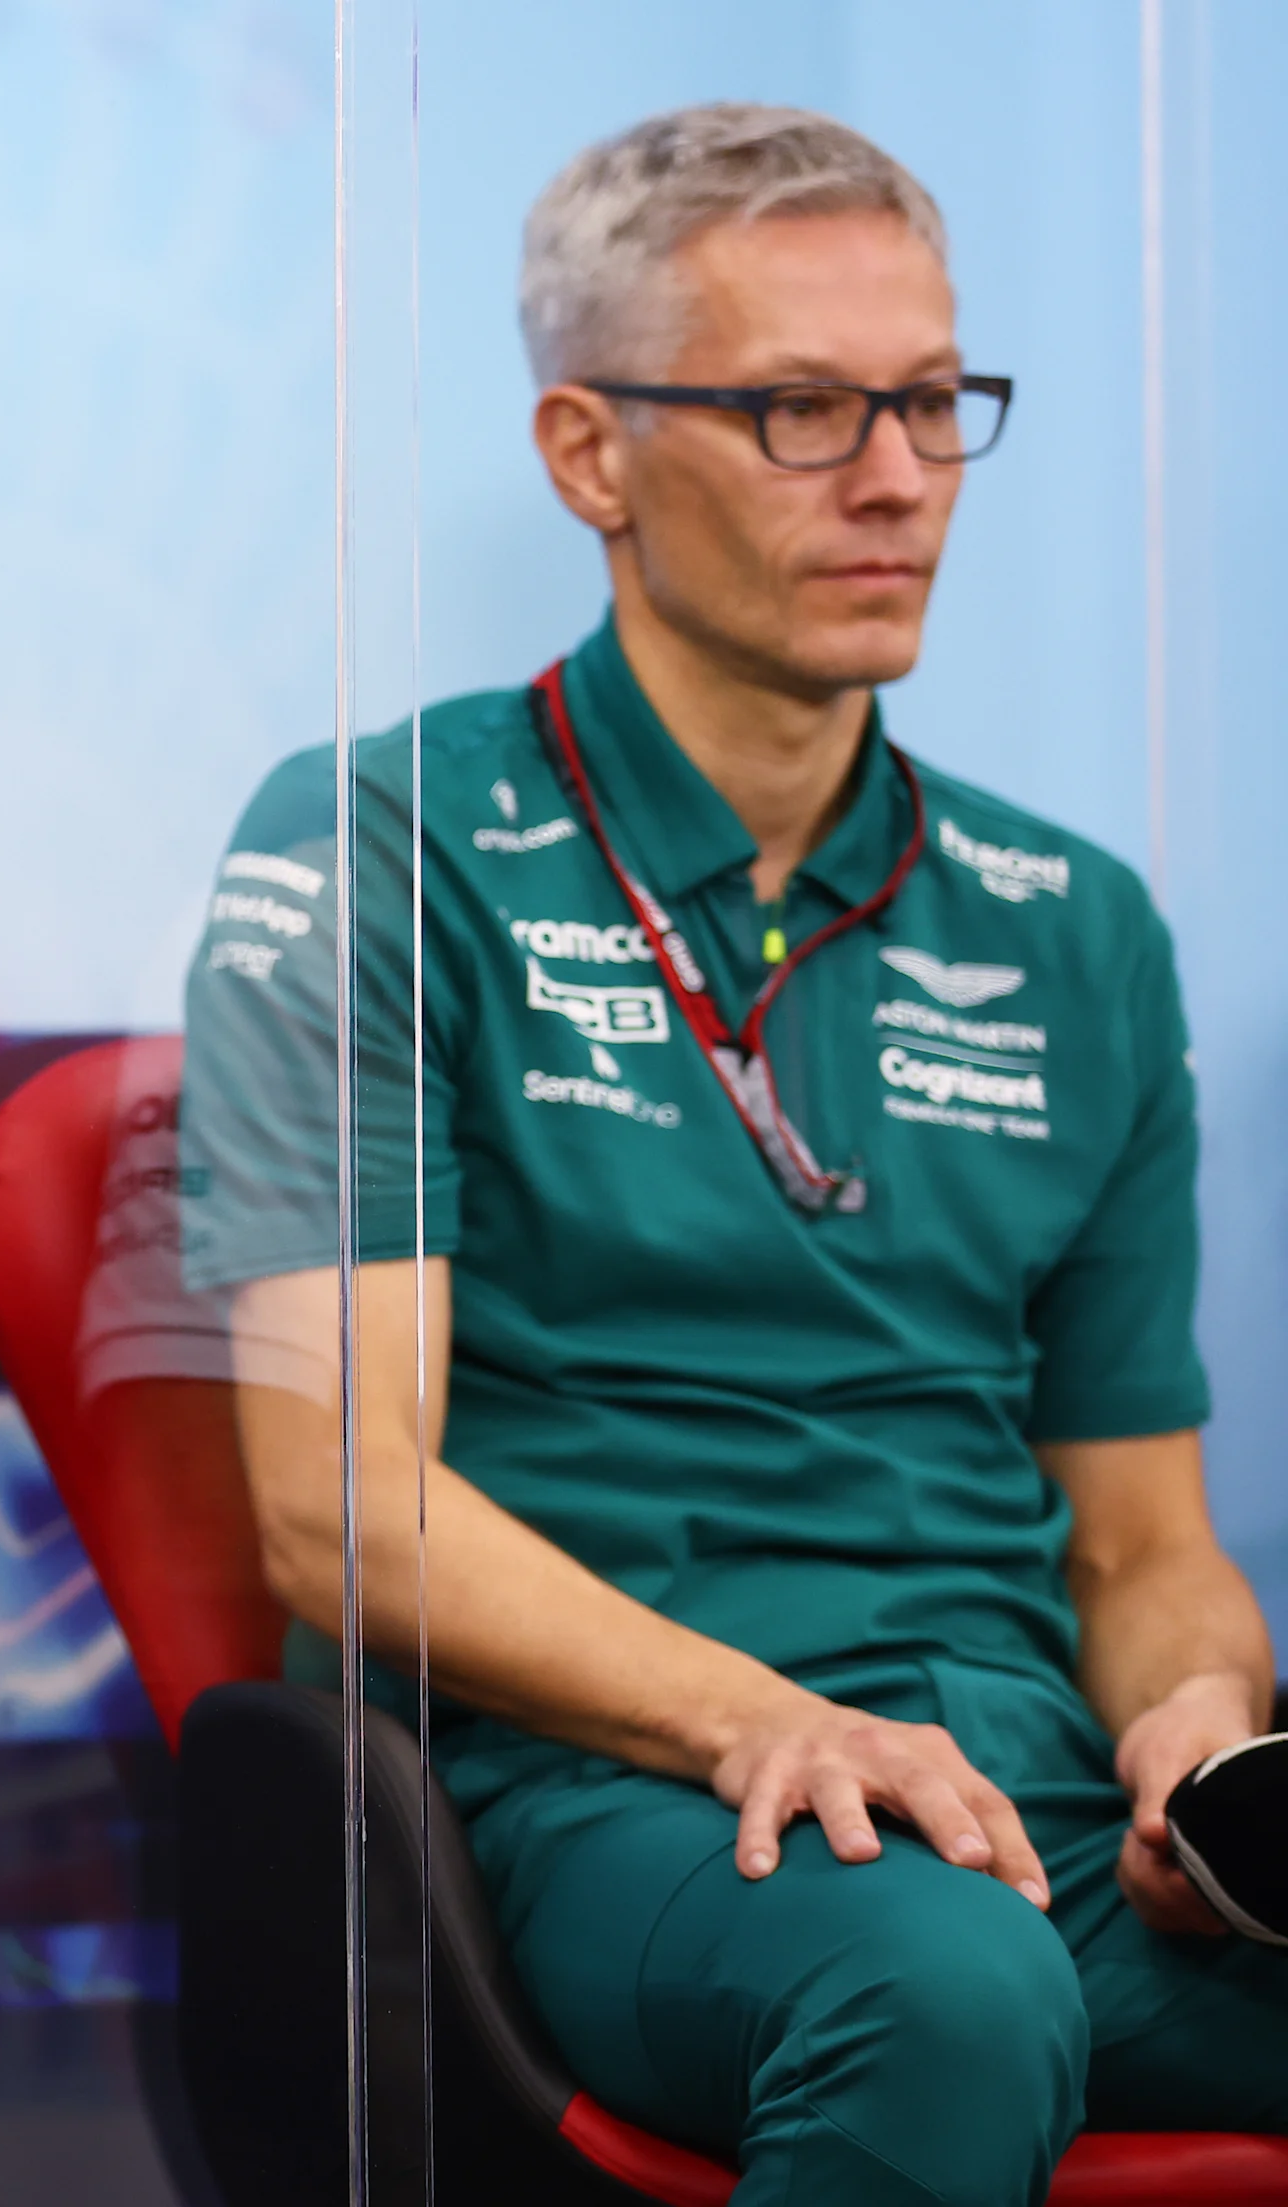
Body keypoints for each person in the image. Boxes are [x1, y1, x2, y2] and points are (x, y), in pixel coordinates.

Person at [171, 104, 1288, 2198]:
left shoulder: (1074, 922)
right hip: (627, 1779)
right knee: (941, 1990)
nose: (894, 478)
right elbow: (345, 1514)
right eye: (800, 408)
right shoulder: (380, 844)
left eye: (934, 404)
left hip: (1023, 1784)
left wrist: (1196, 1732)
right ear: (588, 454)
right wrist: (753, 1715)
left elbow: (1140, 1546)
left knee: (994, 1934)